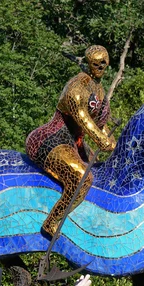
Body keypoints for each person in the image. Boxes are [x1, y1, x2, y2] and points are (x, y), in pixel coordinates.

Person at [25, 45, 116, 236]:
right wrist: (101, 140)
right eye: (96, 63)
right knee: (82, 178)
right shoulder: (77, 87)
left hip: (76, 143)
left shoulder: (99, 90)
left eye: (103, 62)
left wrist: (112, 141)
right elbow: (82, 117)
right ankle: (52, 222)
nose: (100, 67)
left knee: (103, 172)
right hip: (53, 139)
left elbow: (100, 122)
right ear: (89, 62)